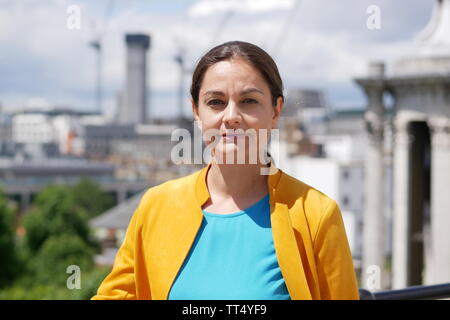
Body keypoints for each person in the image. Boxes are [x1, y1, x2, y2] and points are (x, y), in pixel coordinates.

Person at [91, 40, 360, 300]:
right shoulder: (156, 206)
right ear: (196, 111)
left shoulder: (316, 215)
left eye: (249, 101)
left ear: (276, 111)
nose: (231, 116)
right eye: (216, 102)